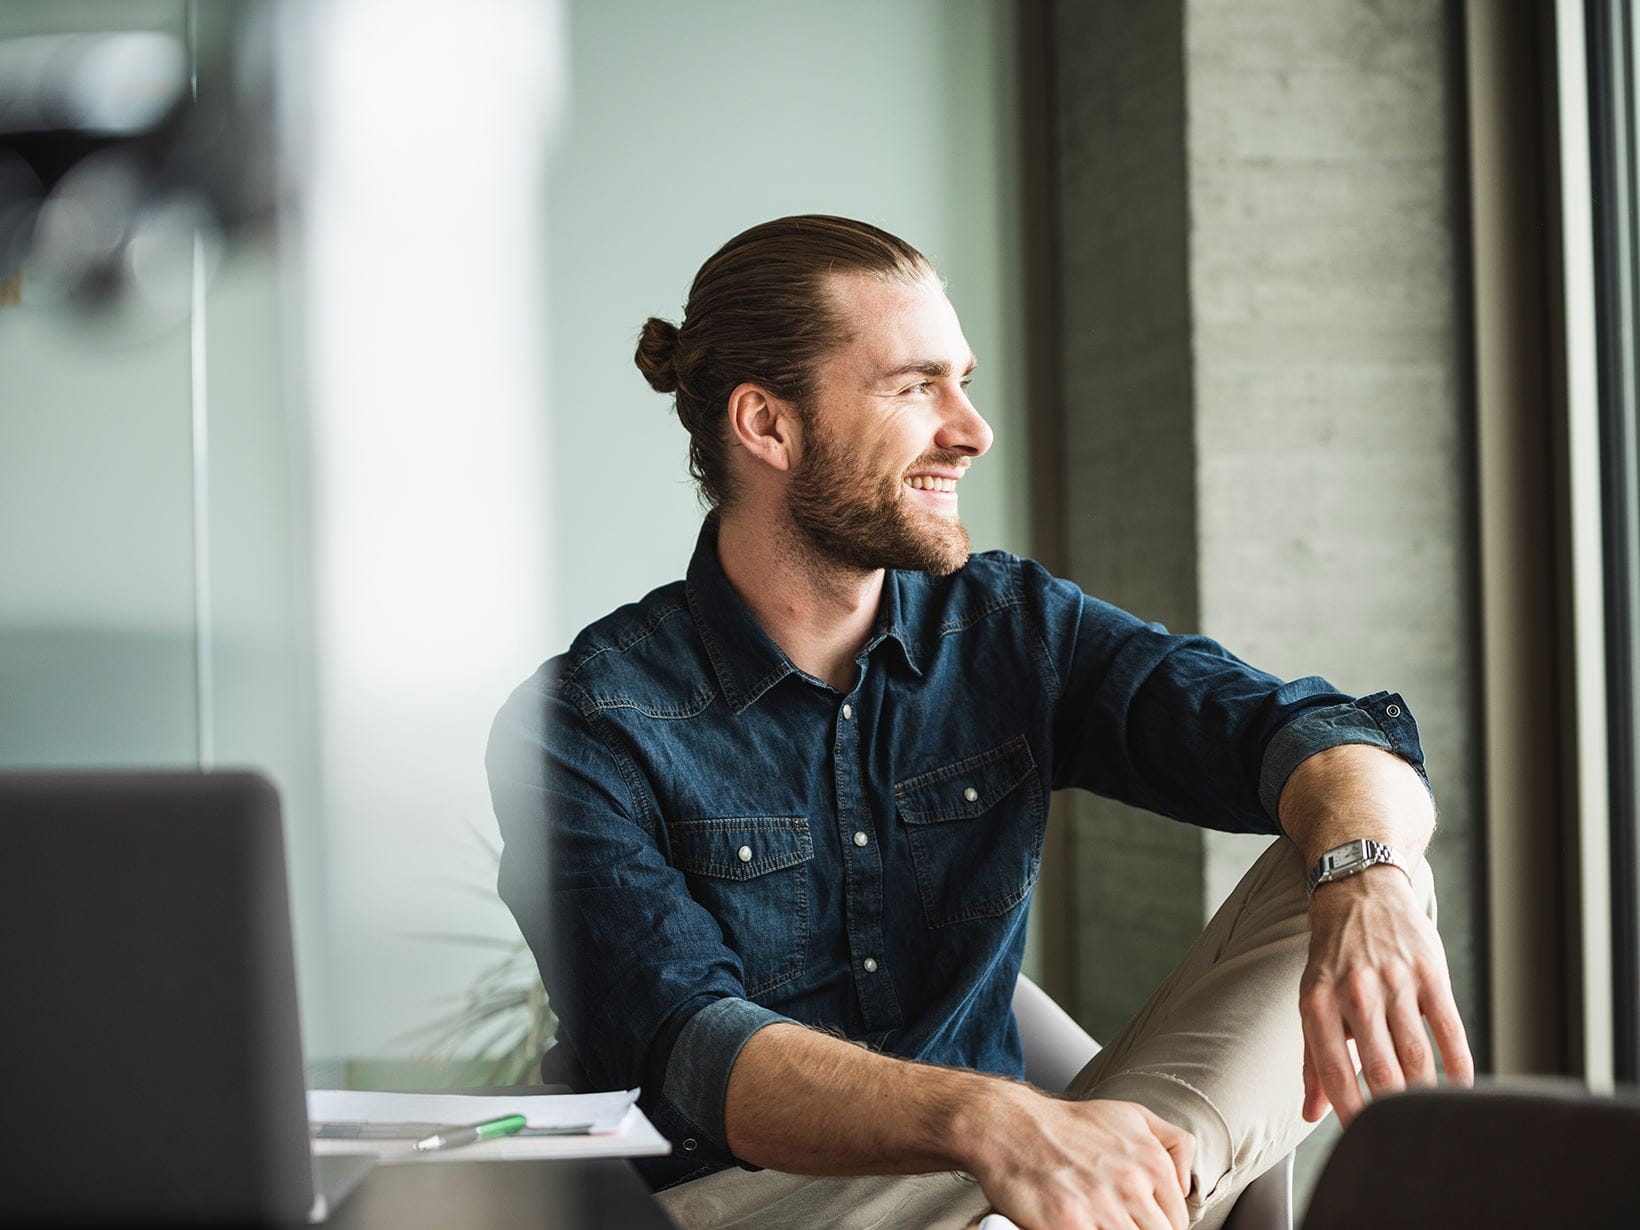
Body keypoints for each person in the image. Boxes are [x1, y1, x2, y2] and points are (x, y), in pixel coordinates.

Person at [485, 215, 1472, 1230]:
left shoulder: (1014, 629)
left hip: (1017, 1189)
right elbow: (691, 1050)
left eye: (961, 380)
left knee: (1350, 856)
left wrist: (1368, 878)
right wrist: (991, 1122)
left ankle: (1124, 1197)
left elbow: (1306, 729)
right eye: (914, 387)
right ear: (767, 426)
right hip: (745, 1204)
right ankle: (1124, 1198)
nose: (970, 429)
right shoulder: (583, 723)